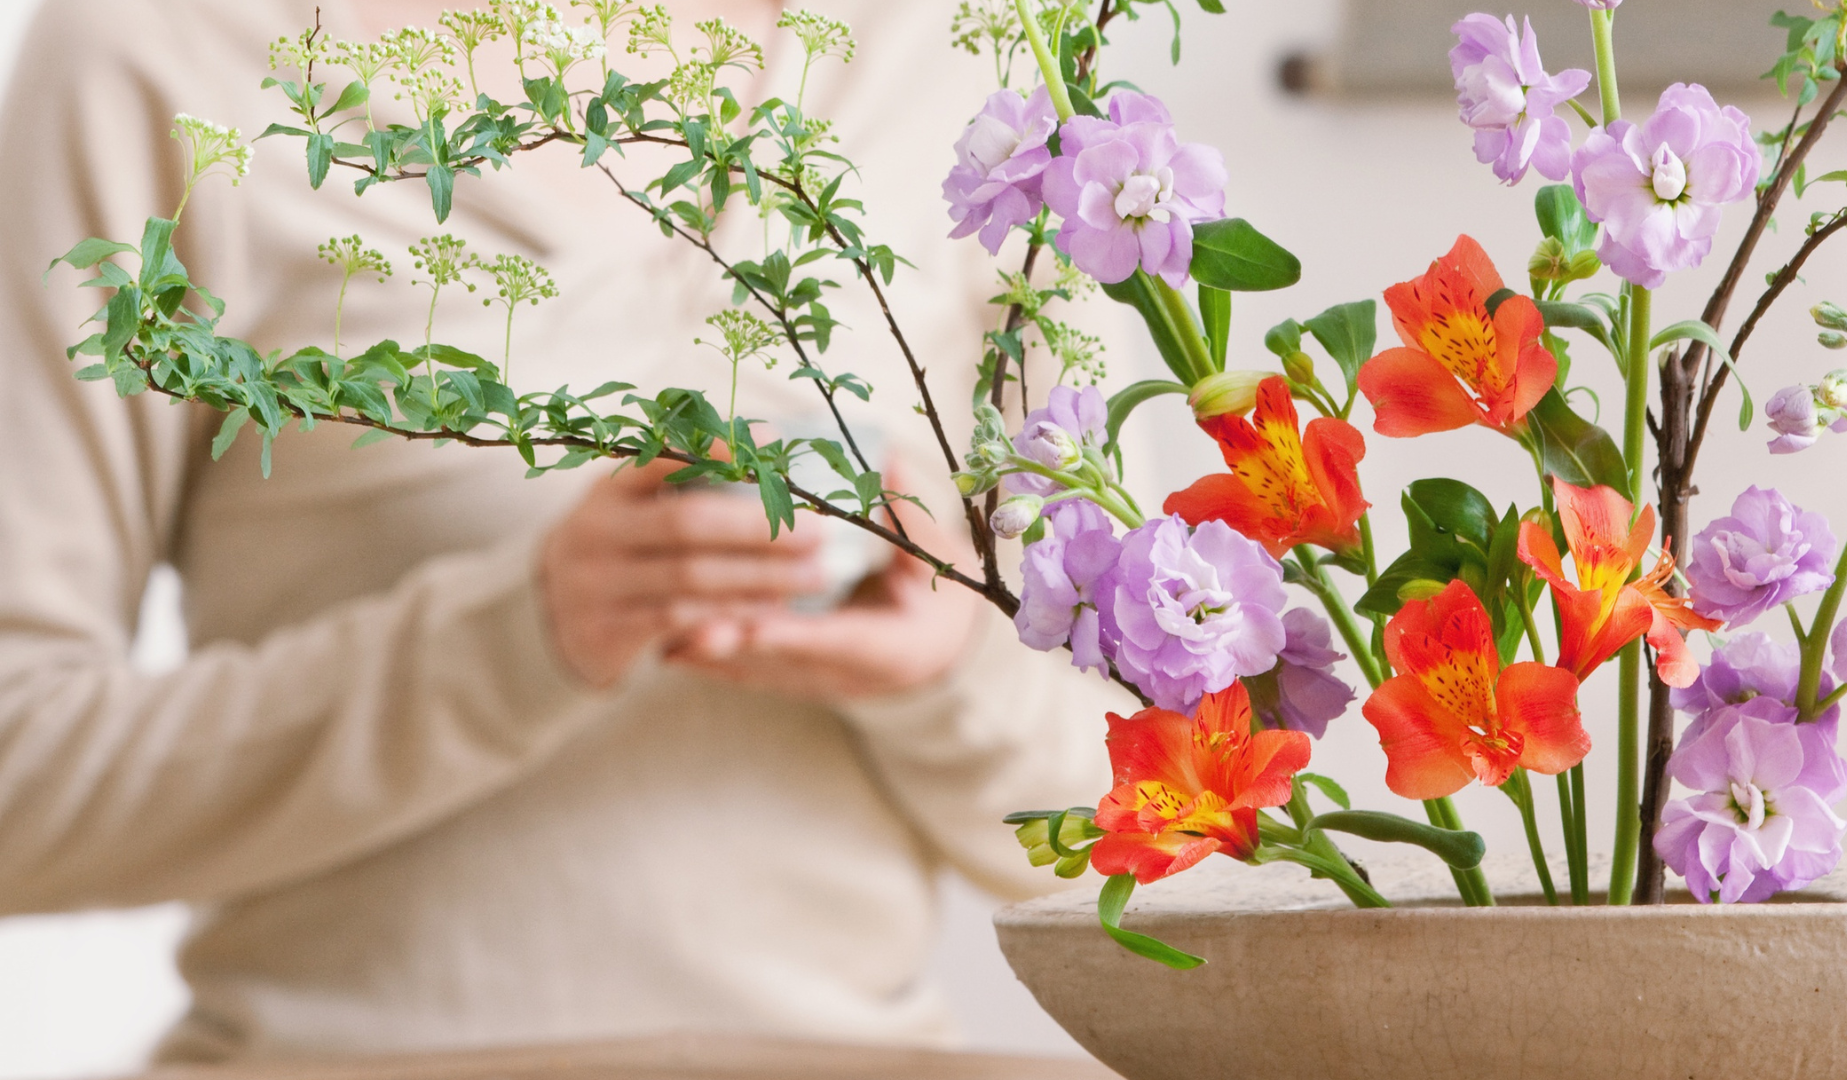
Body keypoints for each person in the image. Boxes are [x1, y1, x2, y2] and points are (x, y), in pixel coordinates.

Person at [0, 0, 1128, 1063]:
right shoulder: (155, 54)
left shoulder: (978, 55)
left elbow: (1167, 827)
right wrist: (514, 639)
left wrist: (951, 671)